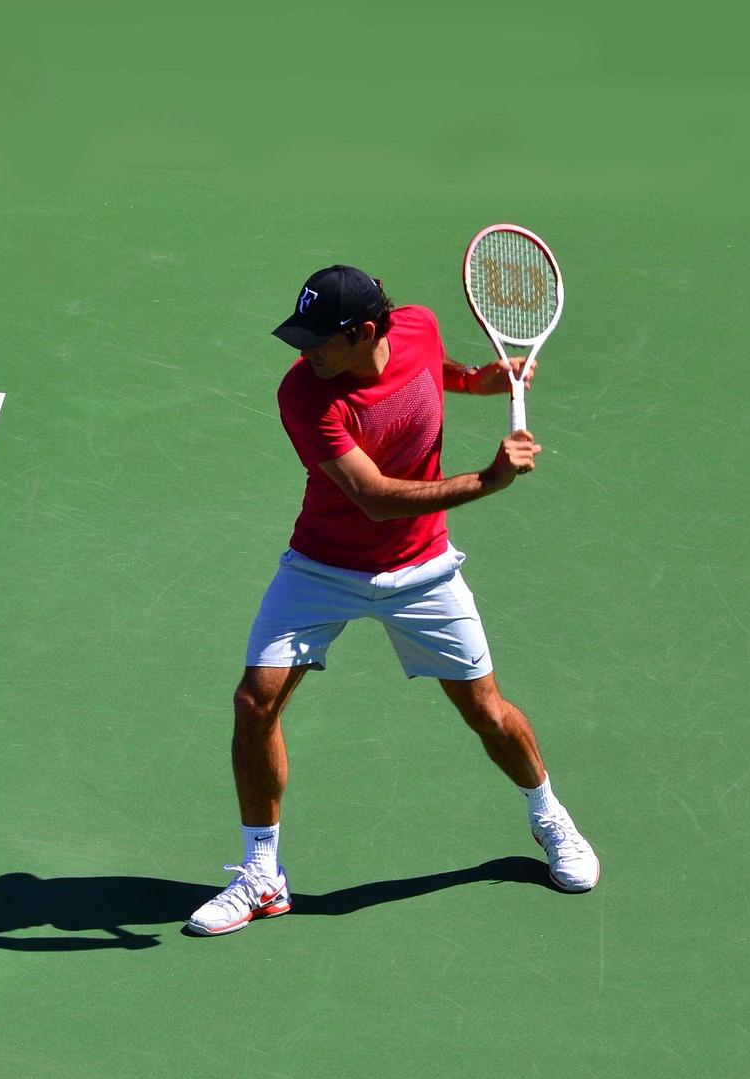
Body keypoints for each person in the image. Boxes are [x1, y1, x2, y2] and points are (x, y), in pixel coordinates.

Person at [187, 265, 599, 937]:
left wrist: (476, 380)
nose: (305, 353)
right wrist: (489, 479)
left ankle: (548, 815)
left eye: (319, 340)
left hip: (422, 569)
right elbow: (375, 498)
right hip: (323, 566)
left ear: (365, 332)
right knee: (254, 703)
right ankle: (262, 874)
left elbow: (432, 368)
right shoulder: (304, 394)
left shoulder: (420, 327)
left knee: (487, 711)